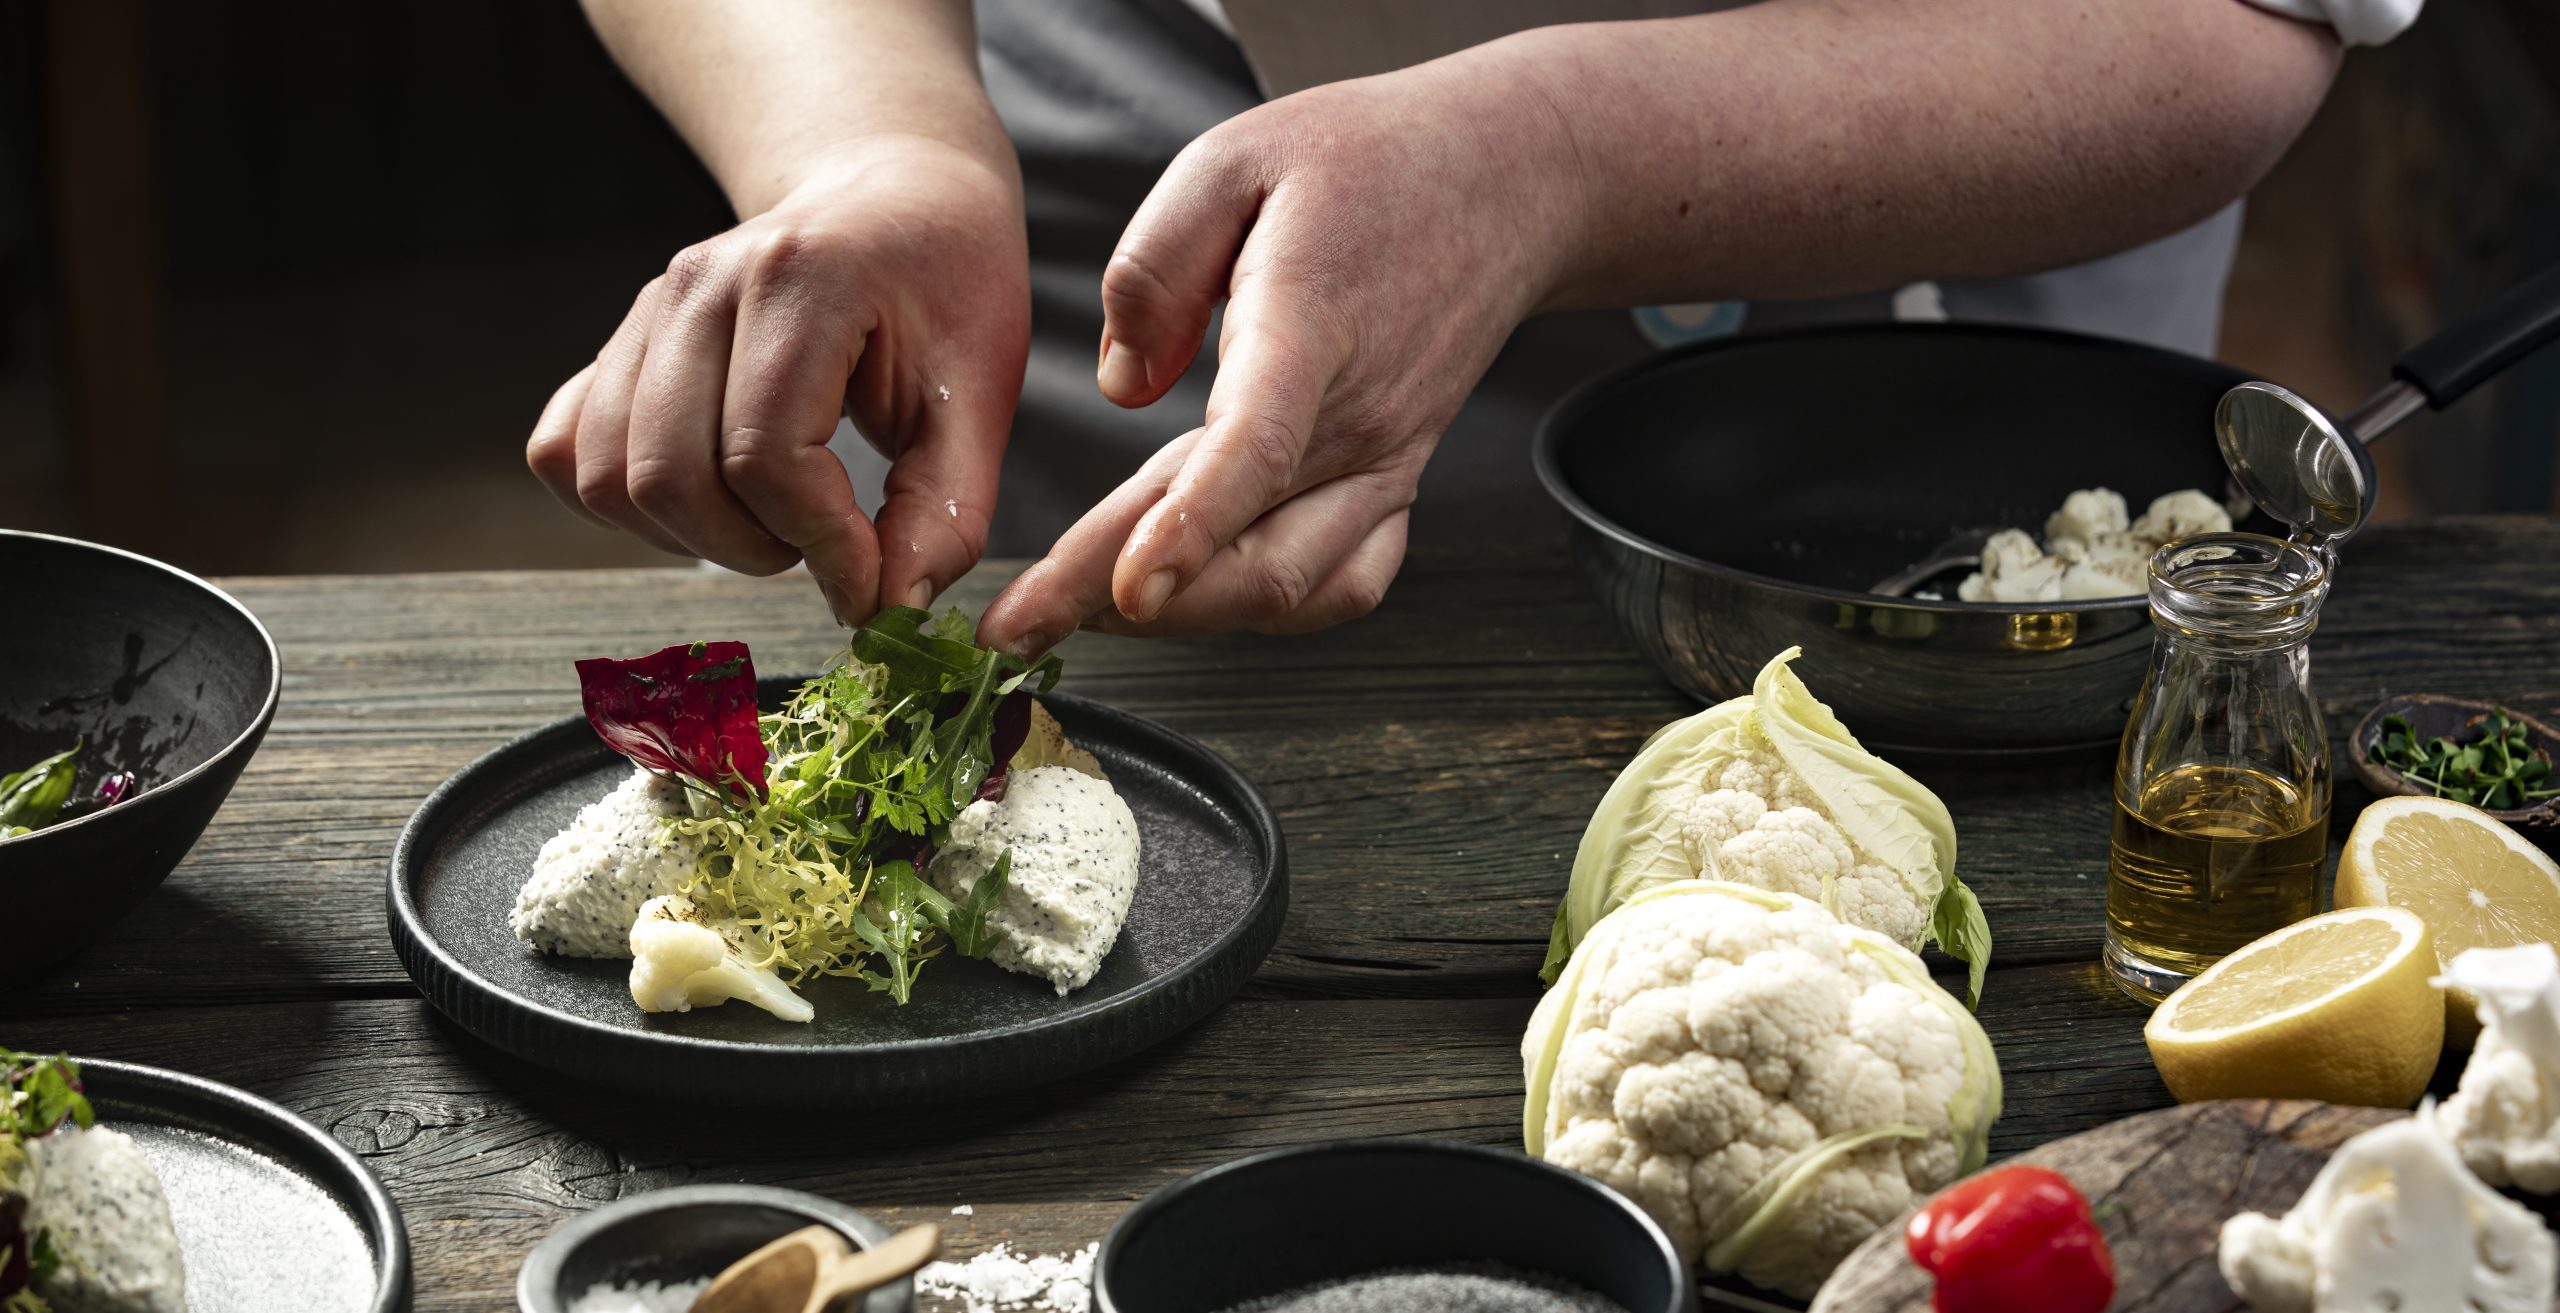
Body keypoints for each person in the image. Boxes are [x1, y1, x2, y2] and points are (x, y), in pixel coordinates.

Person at [526, 0, 2418, 657]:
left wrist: (1550, 164)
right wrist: (869, 147)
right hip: (1108, 165)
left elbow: (2234, 22)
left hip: (1931, 340)